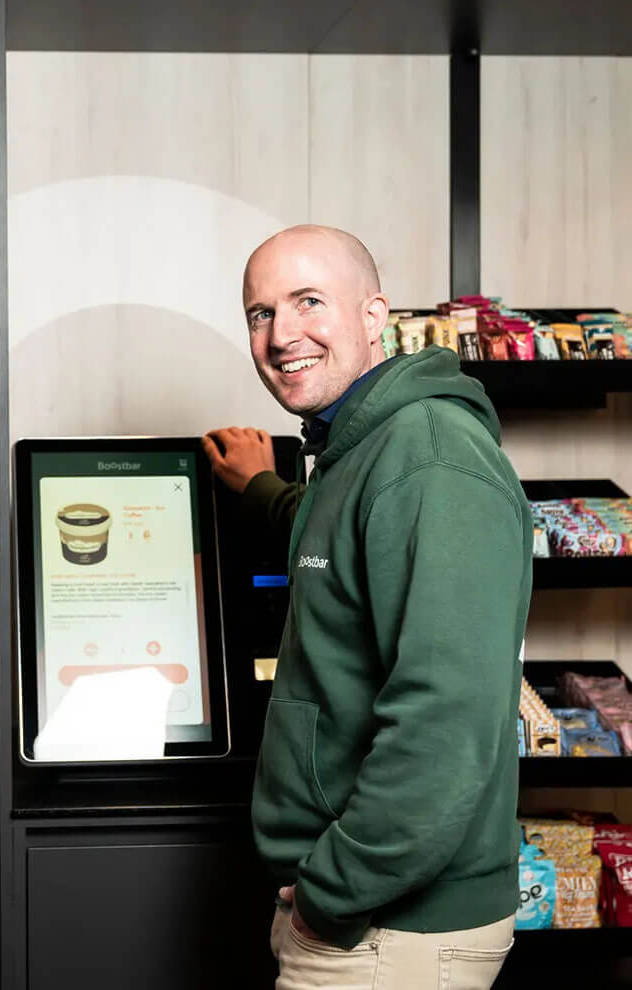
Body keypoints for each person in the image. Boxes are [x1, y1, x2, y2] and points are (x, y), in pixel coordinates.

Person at [203, 226, 532, 989]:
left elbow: (443, 721)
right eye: (260, 313)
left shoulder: (430, 459)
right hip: (362, 913)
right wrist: (261, 488)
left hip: (390, 925)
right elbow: (337, 542)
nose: (282, 335)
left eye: (308, 302)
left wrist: (331, 898)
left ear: (374, 314)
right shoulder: (359, 447)